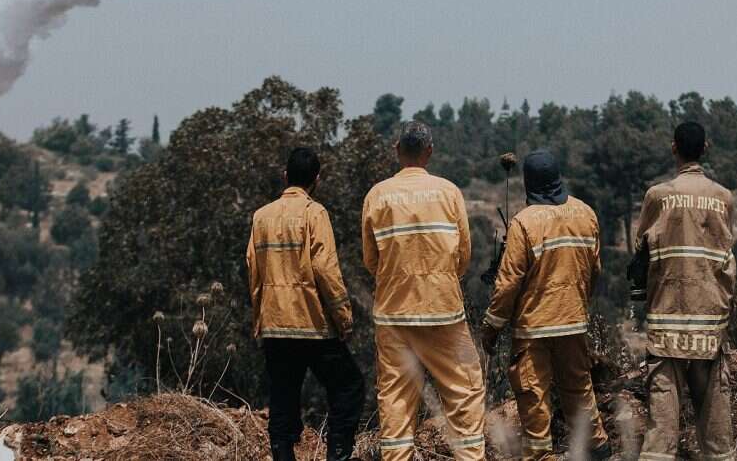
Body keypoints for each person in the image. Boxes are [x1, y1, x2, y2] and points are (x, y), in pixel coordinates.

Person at [361, 121, 486, 461]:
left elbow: (371, 260)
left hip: (393, 314)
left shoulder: (377, 195)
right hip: (443, 311)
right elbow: (463, 255)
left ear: (396, 150)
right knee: (464, 391)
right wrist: (442, 278)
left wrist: (395, 280)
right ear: (429, 152)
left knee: (396, 401)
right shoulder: (449, 192)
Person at [480, 149, 612, 461]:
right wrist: (578, 303)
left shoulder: (524, 222)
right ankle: (600, 450)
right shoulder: (585, 213)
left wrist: (492, 326)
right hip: (574, 321)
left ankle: (540, 456)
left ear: (528, 183)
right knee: (579, 389)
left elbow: (508, 281)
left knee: (533, 395)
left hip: (534, 328)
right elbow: (595, 271)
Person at [246, 147, 365, 461]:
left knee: (282, 402)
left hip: (274, 325)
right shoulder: (315, 213)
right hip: (313, 326)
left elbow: (253, 271)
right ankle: (337, 455)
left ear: (285, 177)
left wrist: (259, 319)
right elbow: (326, 269)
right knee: (349, 387)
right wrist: (344, 319)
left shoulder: (261, 216)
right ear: (317, 179)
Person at [634, 122, 736, 461]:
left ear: (673, 148)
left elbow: (642, 250)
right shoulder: (724, 198)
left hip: (667, 322)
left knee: (661, 432)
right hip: (709, 324)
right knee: (717, 430)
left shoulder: (657, 197)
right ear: (705, 147)